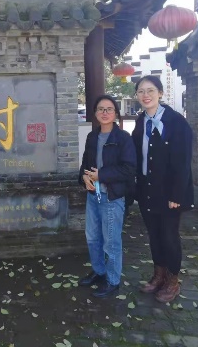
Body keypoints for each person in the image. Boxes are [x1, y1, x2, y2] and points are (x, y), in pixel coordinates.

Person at [131, 76, 194, 303]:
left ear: (160, 93)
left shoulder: (176, 122)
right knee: (154, 235)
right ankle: (158, 275)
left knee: (169, 236)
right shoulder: (141, 121)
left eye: (150, 90)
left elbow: (183, 162)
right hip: (147, 190)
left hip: (168, 193)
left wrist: (177, 194)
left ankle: (172, 281)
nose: (145, 95)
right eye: (141, 91)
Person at [78, 95, 137, 298]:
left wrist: (101, 175)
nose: (105, 113)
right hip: (93, 195)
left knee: (111, 242)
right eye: (101, 109)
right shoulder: (92, 137)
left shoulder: (123, 138)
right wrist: (84, 178)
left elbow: (129, 169)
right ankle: (99, 271)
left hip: (112, 197)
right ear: (95, 113)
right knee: (93, 237)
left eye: (109, 109)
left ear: (115, 113)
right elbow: (86, 164)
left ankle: (113, 281)